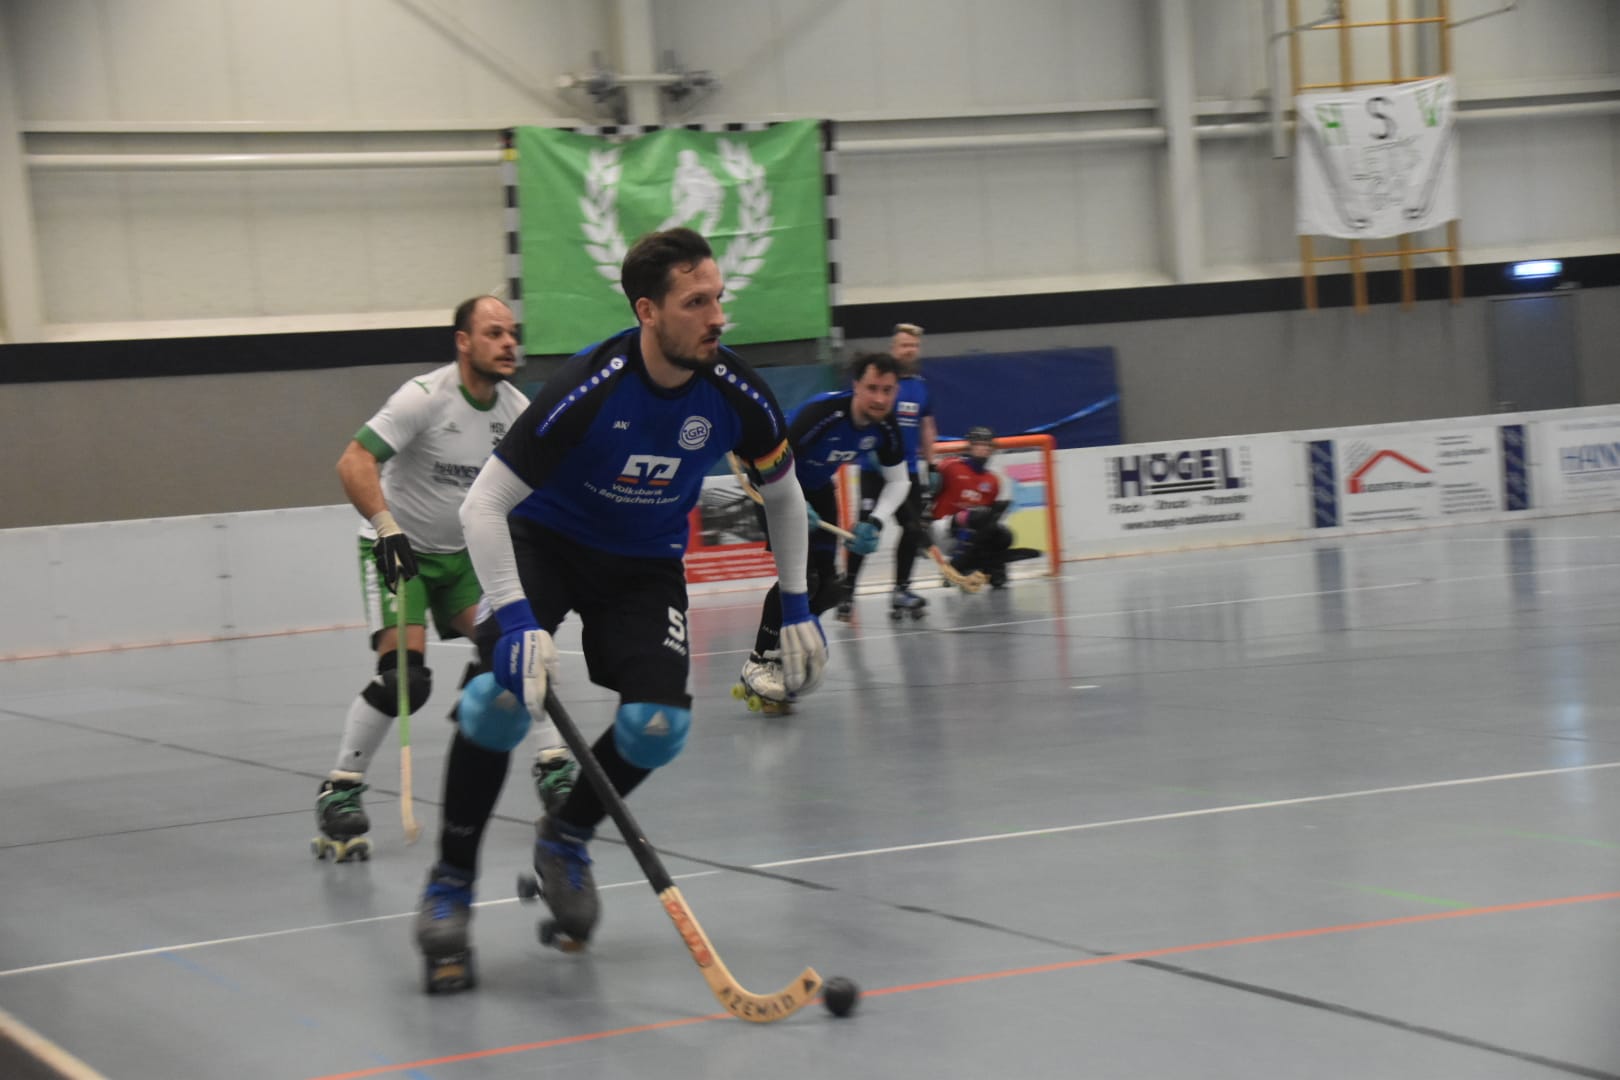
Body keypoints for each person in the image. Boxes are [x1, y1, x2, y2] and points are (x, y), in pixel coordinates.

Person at [413, 228, 826, 990]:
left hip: (643, 565)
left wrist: (797, 604)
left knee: (657, 727)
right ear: (648, 311)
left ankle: (566, 836)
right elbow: (483, 506)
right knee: (495, 703)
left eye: (718, 298)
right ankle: (451, 880)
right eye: (695, 303)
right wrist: (516, 619)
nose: (717, 317)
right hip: (547, 542)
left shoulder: (736, 389)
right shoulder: (590, 384)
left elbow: (783, 494)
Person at [313, 296, 576, 863]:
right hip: (399, 549)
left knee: (519, 653)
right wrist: (385, 527)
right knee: (404, 680)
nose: (509, 344)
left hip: (465, 560)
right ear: (463, 341)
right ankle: (341, 788)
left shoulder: (518, 410)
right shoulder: (424, 398)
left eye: (512, 334)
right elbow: (354, 460)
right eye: (494, 333)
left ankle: (554, 766)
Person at [736, 353, 909, 711]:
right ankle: (759, 661)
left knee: (830, 588)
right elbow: (764, 463)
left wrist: (875, 521)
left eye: (888, 390)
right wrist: (794, 504)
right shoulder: (823, 414)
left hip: (817, 490)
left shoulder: (886, 427)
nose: (880, 398)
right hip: (773, 484)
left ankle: (785, 650)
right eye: (872, 388)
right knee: (804, 577)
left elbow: (899, 480)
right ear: (855, 386)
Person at [839, 322, 935, 620]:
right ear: (894, 348)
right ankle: (847, 592)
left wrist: (931, 466)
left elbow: (927, 427)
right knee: (866, 529)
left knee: (913, 529)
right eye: (905, 345)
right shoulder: (878, 383)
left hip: (907, 472)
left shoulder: (920, 386)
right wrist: (867, 451)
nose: (910, 350)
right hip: (873, 470)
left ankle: (901, 590)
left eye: (914, 346)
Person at [930, 426, 1016, 589]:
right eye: (978, 444)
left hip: (970, 531)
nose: (983, 448)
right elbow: (929, 488)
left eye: (987, 445)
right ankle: (955, 567)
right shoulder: (950, 466)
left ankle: (992, 570)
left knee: (1003, 534)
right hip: (942, 528)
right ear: (970, 446)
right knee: (978, 515)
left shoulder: (993, 481)